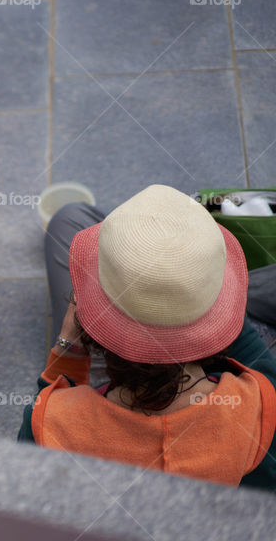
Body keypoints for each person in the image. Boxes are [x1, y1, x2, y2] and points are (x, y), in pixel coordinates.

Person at [19, 185, 276, 490]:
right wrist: (210, 302)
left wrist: (68, 348)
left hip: (108, 388)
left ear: (88, 324)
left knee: (68, 216)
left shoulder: (52, 422)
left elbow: (41, 416)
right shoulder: (256, 407)